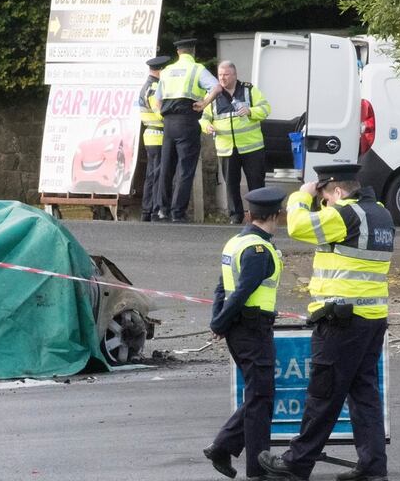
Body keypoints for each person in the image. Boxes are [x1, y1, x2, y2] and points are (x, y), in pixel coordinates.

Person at [258, 164, 395, 481]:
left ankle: (297, 462)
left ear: (337, 190)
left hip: (342, 319)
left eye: (325, 197)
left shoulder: (345, 214)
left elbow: (298, 227)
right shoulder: (380, 214)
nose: (324, 204)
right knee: (364, 394)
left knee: (323, 394)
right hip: (372, 317)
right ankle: (373, 466)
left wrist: (300, 197)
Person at [203, 186, 287, 480]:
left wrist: (219, 320)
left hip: (242, 329)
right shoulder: (258, 249)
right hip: (252, 329)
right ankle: (257, 468)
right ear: (275, 215)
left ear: (250, 214)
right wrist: (220, 323)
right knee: (261, 396)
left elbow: (221, 288)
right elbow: (240, 293)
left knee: (258, 394)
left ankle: (223, 447)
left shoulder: (234, 243)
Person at [151, 38, 220, 223]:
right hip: (187, 120)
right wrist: (205, 103)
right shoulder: (197, 69)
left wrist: (162, 116)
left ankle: (162, 211)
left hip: (168, 123)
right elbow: (217, 87)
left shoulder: (166, 71)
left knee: (166, 167)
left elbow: (156, 101)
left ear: (178, 53)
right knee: (185, 169)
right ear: (193, 51)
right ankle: (177, 212)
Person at [200, 61, 271, 225]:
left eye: (226, 75)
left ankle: (259, 216)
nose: (222, 78)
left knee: (256, 183)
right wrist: (206, 126)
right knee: (231, 185)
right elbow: (204, 118)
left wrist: (251, 111)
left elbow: (266, 108)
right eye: (219, 75)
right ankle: (235, 216)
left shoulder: (249, 90)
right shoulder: (214, 94)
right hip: (226, 149)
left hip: (252, 147)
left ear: (235, 75)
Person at [137, 55, 171, 221]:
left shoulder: (147, 85)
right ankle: (152, 210)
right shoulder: (154, 87)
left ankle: (147, 211)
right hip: (157, 135)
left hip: (151, 135)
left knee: (152, 174)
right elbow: (159, 112)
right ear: (161, 70)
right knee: (157, 175)